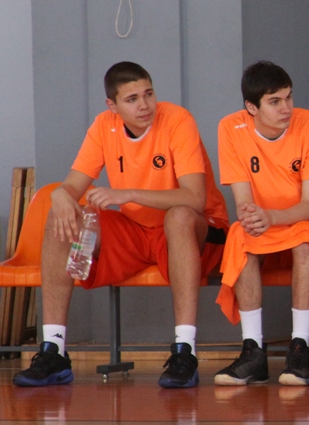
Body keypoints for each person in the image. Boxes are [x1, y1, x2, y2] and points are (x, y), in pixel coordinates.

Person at [13, 62, 229, 389]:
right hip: (136, 230)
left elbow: (195, 198)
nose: (144, 105)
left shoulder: (177, 119)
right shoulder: (104, 126)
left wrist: (127, 193)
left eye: (149, 94)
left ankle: (185, 352)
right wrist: (60, 195)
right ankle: (54, 349)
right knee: (63, 216)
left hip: (193, 230)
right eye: (132, 99)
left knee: (180, 216)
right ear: (112, 106)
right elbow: (73, 185)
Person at [213, 61, 309, 386]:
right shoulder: (230, 127)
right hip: (262, 221)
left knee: (305, 241)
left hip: (300, 218)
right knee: (240, 236)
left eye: (289, 97)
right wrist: (255, 218)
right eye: (275, 101)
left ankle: (300, 346)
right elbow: (243, 203)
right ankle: (253, 350)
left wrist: (272, 218)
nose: (286, 108)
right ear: (251, 107)